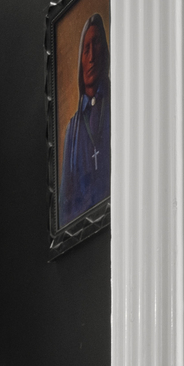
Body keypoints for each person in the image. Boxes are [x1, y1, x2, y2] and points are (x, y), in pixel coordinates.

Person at [57, 11, 109, 221]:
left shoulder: (117, 104)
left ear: (104, 50)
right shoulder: (73, 130)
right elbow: (64, 207)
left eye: (96, 44)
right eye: (85, 49)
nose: (91, 57)